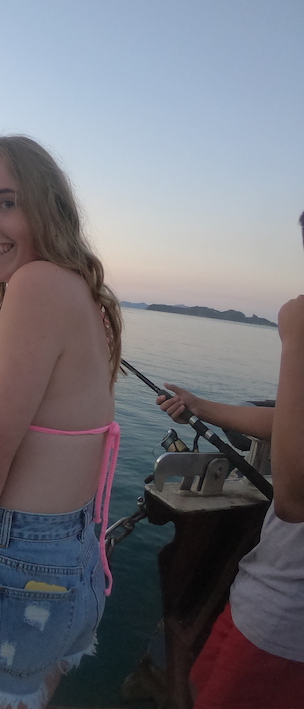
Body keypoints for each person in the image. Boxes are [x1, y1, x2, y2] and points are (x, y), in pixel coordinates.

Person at [0, 135, 124, 709]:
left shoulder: (35, 287)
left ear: (46, 208)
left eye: (6, 202)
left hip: (16, 562)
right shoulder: (80, 293)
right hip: (73, 561)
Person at [156, 220, 304, 708]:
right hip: (264, 586)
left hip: (288, 623)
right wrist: (199, 405)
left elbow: (294, 498)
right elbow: (287, 420)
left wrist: (297, 332)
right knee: (200, 685)